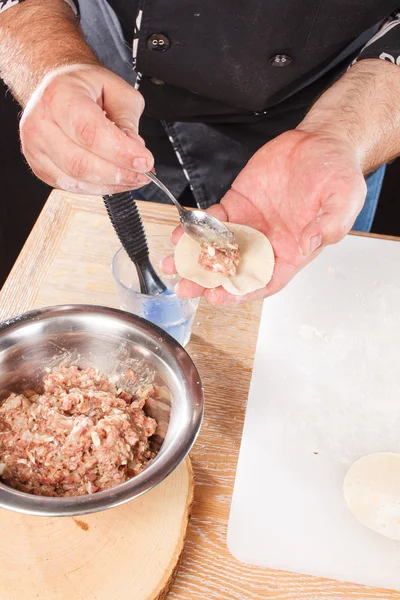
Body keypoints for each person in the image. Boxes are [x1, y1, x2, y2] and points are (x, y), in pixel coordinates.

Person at [1, 0, 399, 305]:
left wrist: (340, 137)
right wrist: (49, 66)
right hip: (113, 106)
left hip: (338, 119)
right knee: (131, 292)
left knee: (311, 313)